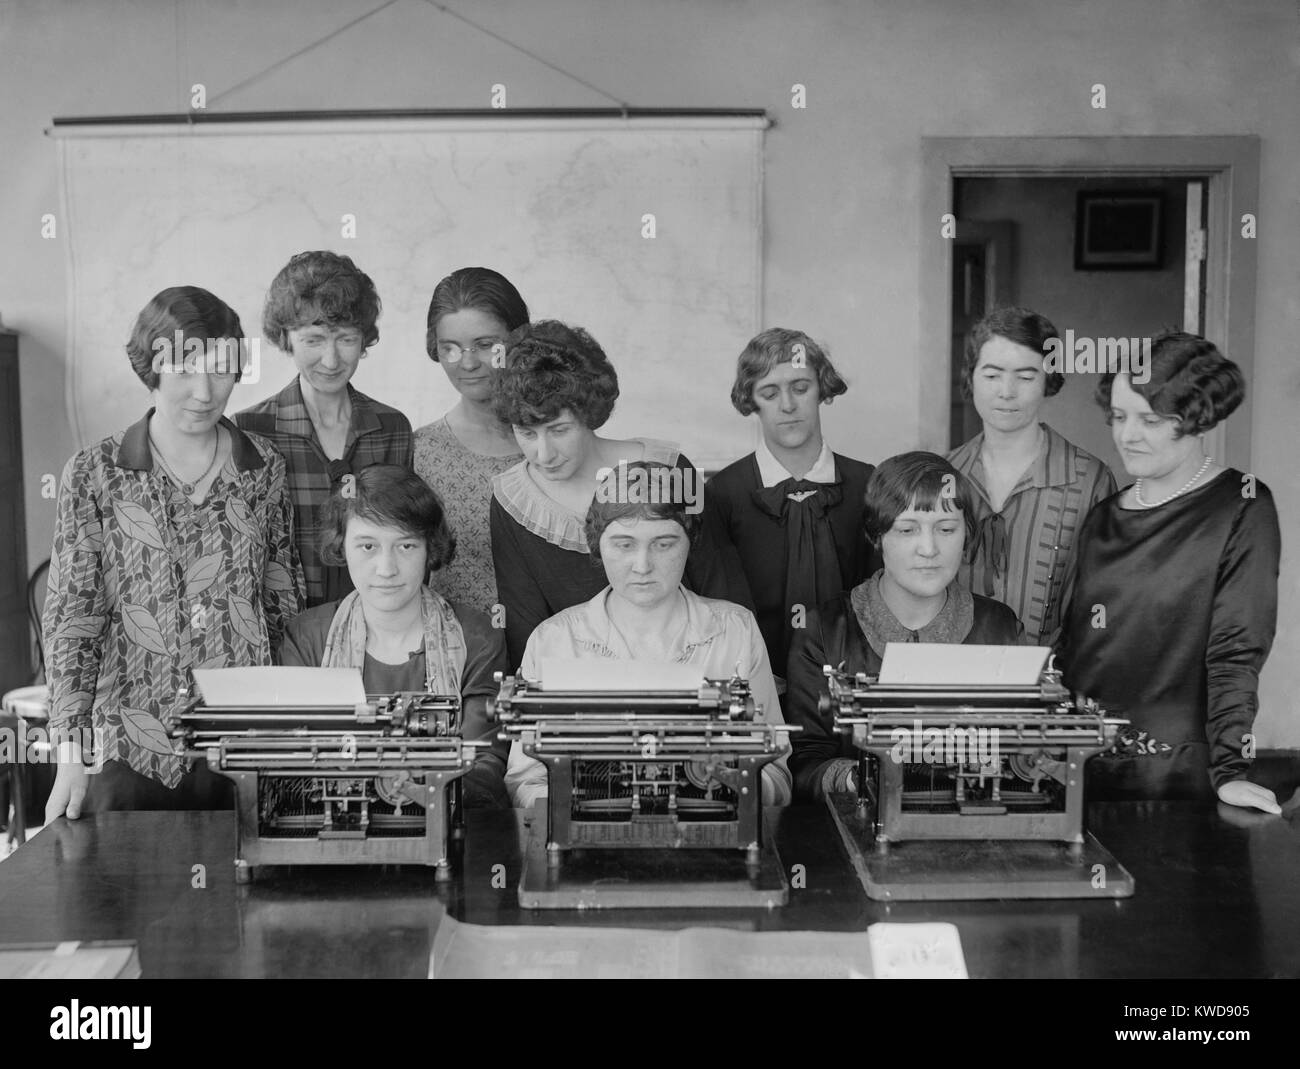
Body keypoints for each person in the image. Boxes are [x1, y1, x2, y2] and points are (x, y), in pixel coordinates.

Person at [43, 286, 304, 819]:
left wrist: (293, 741)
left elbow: (283, 607)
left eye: (220, 371)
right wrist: (69, 757)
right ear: (152, 369)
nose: (204, 391)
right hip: (129, 753)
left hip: (244, 751)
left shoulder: (265, 469)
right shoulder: (95, 474)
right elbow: (74, 622)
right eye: (185, 368)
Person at [1059, 333, 1281, 812]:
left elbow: (1236, 650)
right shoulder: (1103, 517)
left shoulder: (1242, 504)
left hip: (1179, 778)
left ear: (1196, 417)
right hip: (1086, 767)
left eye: (1150, 420)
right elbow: (1080, 651)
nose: (1126, 435)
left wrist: (1229, 770)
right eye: (1118, 417)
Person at [504, 461, 792, 809]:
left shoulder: (735, 630)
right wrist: (577, 805)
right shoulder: (552, 641)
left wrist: (728, 787)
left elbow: (776, 772)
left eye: (664, 544)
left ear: (691, 542)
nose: (642, 565)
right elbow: (527, 778)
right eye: (624, 545)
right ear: (597, 545)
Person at [489, 320, 739, 668]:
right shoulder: (512, 499)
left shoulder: (669, 469)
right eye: (526, 433)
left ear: (589, 414)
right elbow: (523, 625)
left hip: (689, 675)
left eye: (558, 430)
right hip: (578, 694)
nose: (543, 454)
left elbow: (720, 586)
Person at [786, 452, 1023, 802]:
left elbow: (1020, 749)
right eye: (907, 529)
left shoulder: (1000, 628)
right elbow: (802, 763)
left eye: (946, 529)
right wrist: (857, 778)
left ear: (966, 535)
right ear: (877, 535)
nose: (928, 549)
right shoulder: (824, 630)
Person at [279, 465, 510, 808]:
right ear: (342, 548)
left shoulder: (477, 636)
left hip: (449, 832)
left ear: (431, 550)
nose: (386, 569)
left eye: (405, 546)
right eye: (367, 546)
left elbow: (486, 764)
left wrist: (421, 784)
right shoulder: (307, 636)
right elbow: (290, 761)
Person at [236, 251, 413, 608]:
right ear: (287, 339)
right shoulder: (250, 430)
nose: (331, 361)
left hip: (374, 628)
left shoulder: (392, 428)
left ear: (364, 339)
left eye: (346, 339)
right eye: (314, 340)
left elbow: (408, 538)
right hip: (284, 636)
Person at [705, 328, 876, 685]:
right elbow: (718, 605)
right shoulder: (721, 494)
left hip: (853, 689)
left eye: (800, 388)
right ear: (751, 400)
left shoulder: (869, 484)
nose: (787, 405)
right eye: (770, 392)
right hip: (755, 688)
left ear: (822, 389)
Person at [947, 307, 1116, 647]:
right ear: (971, 376)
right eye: (992, 375)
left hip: (1053, 684)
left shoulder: (1089, 481)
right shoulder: (943, 474)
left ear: (1047, 381)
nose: (1006, 392)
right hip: (954, 685)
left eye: (1025, 377)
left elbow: (1105, 602)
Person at [414, 267, 526, 614]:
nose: (467, 362)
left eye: (485, 345)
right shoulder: (419, 452)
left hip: (551, 652)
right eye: (451, 348)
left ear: (517, 340)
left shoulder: (557, 445)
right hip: (457, 653)